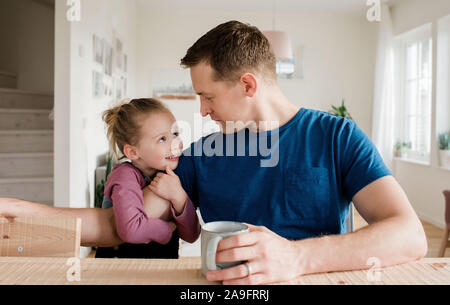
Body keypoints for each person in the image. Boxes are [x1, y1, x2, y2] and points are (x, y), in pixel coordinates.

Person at [0, 20, 427, 285]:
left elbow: (409, 234)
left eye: (207, 97)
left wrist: (296, 258)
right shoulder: (200, 156)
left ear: (247, 85)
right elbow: (118, 224)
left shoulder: (337, 136)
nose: (201, 111)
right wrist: (17, 210)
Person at [96, 98, 200, 258]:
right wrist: (169, 229)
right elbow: (130, 230)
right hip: (120, 269)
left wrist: (179, 197)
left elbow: (192, 235)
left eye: (175, 134)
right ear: (132, 152)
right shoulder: (123, 175)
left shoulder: (171, 177)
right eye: (162, 139)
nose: (175, 144)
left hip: (162, 271)